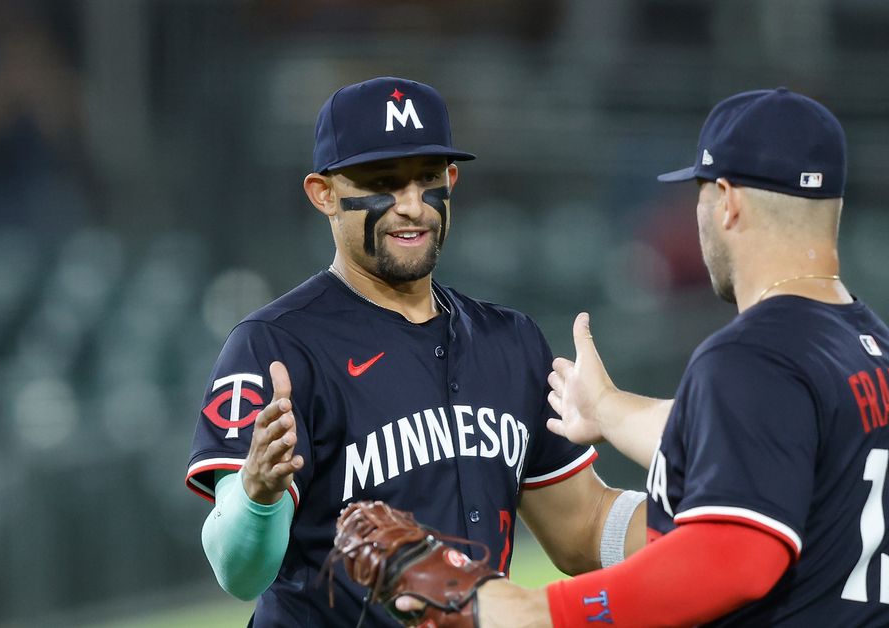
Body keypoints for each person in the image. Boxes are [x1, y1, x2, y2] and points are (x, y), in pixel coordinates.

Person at [185, 77, 647, 627]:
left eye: (426, 179)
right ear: (323, 193)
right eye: (382, 182)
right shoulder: (277, 346)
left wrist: (710, 523)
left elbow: (584, 528)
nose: (411, 206)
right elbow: (240, 574)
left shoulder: (510, 341)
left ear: (452, 179)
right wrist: (258, 497)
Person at [471, 88, 889, 626]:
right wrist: (606, 408)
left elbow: (732, 561)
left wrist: (540, 611)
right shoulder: (874, 349)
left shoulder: (752, 355)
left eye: (701, 194)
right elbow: (749, 442)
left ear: (729, 201)